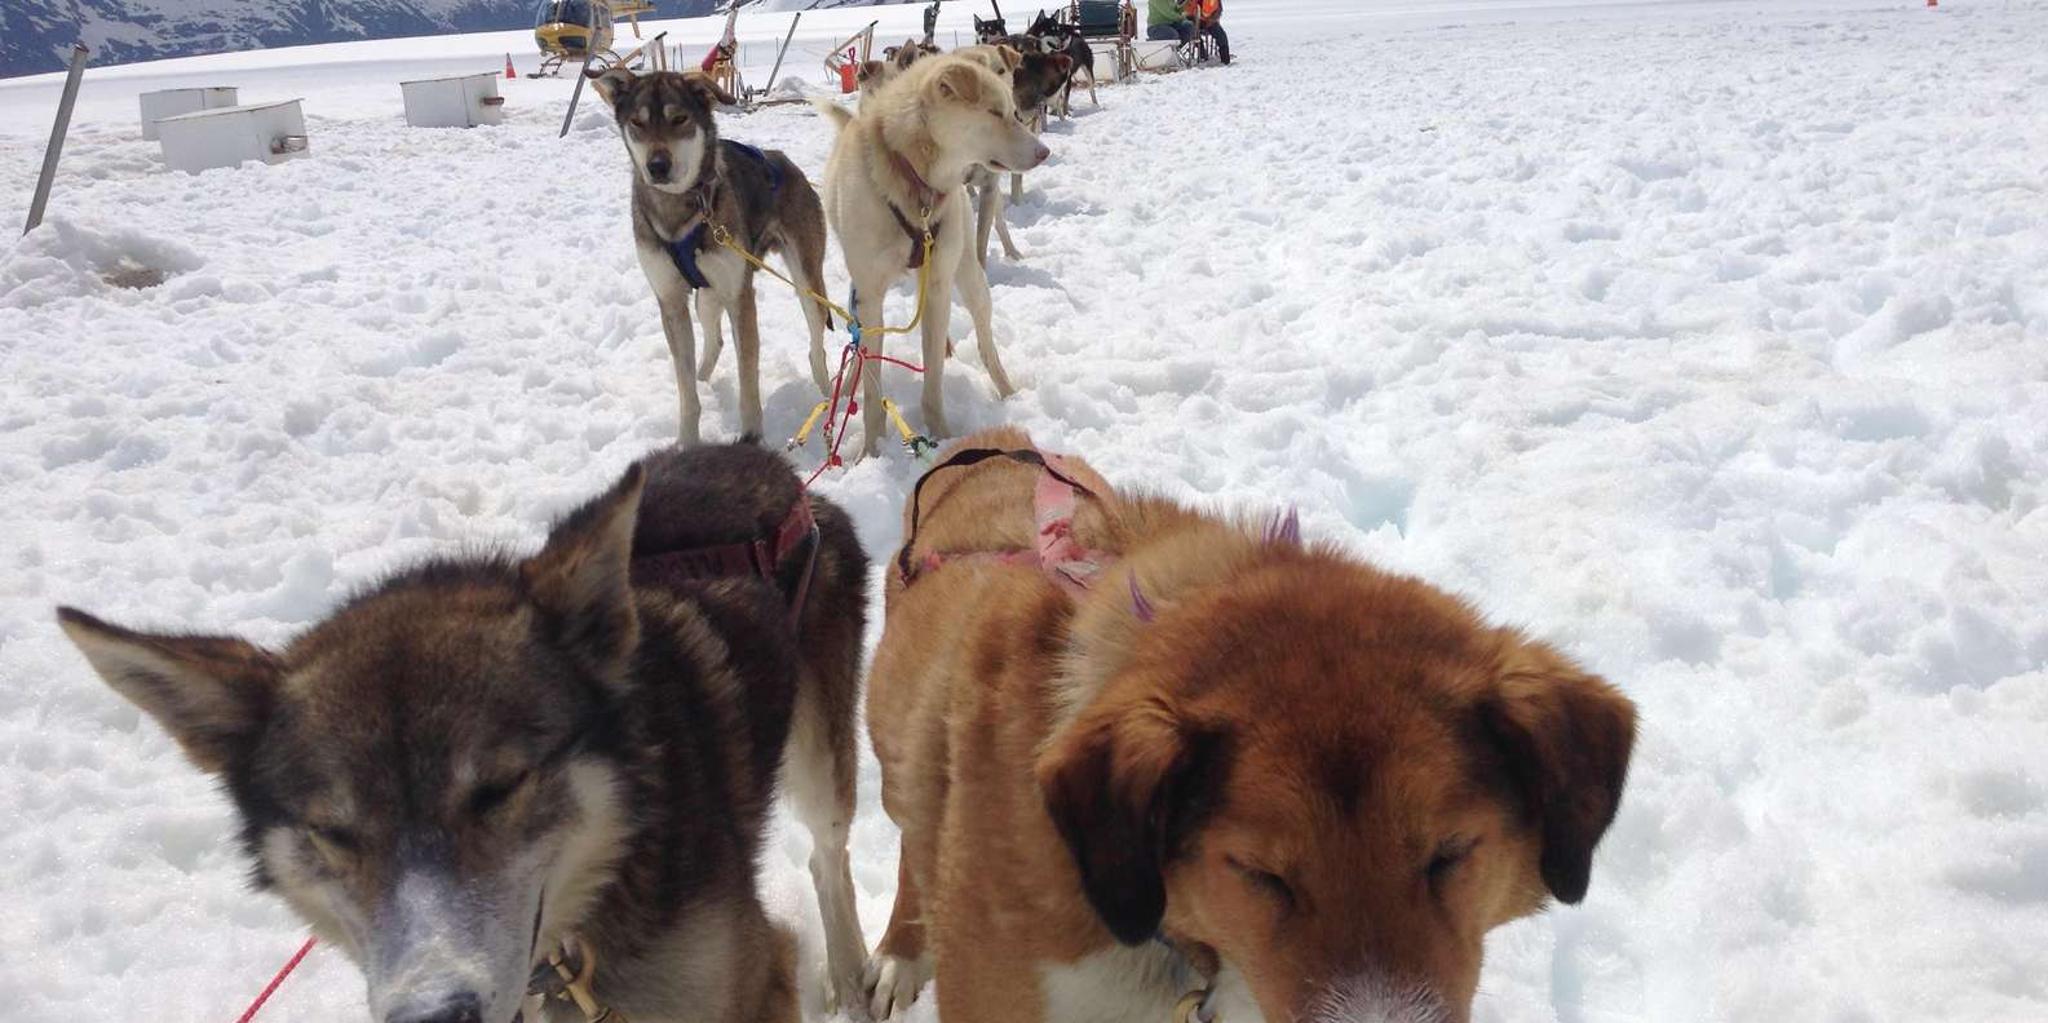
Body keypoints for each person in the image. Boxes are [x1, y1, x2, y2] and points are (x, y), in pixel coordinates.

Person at [1146, 0, 1231, 65]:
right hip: (1191, 19)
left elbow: (1218, 10)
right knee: (1191, 30)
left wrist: (1211, 20)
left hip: (1209, 21)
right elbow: (1178, 8)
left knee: (1220, 34)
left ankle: (1225, 59)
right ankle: (1202, 55)